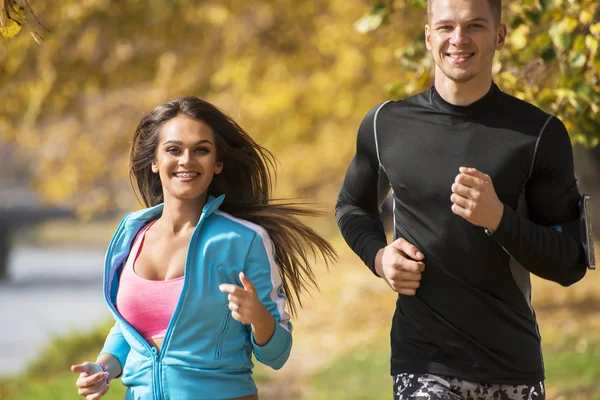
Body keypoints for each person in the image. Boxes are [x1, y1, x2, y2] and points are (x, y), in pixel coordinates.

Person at [335, 0, 589, 399]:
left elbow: (571, 262)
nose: (458, 39)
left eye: (475, 26)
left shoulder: (538, 133)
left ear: (500, 35)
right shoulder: (386, 124)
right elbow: (351, 206)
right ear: (427, 35)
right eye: (446, 27)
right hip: (423, 364)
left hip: (513, 365)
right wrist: (380, 258)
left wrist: (499, 219)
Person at [71, 96, 336, 400]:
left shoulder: (243, 240)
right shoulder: (132, 236)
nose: (187, 160)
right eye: (173, 150)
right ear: (155, 162)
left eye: (201, 150)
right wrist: (103, 368)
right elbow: (129, 329)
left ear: (217, 163)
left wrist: (258, 316)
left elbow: (277, 355)